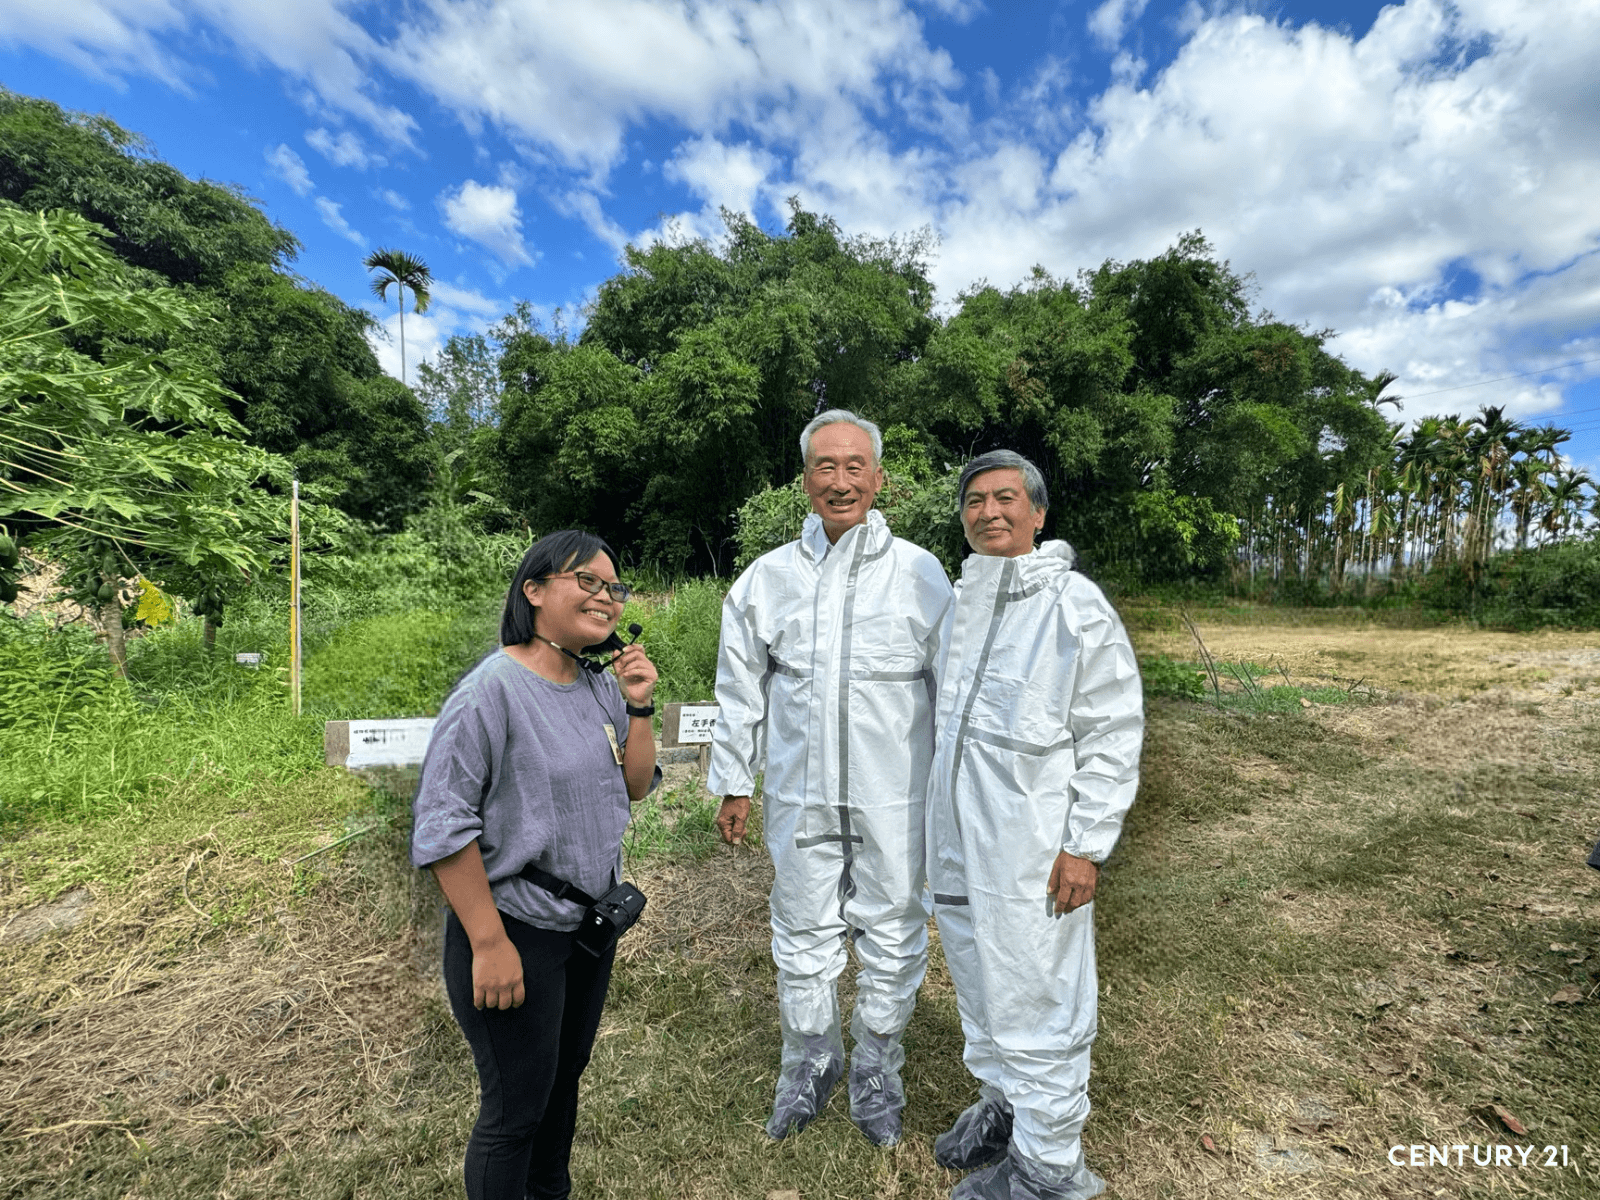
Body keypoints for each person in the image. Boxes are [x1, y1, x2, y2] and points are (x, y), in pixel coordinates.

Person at [709, 410, 954, 1146]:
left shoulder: (921, 572)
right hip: (797, 789)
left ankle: (878, 1065)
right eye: (825, 466)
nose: (840, 481)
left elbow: (954, 686)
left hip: (895, 789)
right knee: (802, 927)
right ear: (805, 479)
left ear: (880, 480)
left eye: (855, 467)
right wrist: (734, 780)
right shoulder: (768, 578)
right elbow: (739, 686)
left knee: (895, 927)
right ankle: (809, 1062)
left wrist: (954, 791)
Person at [410, 530, 661, 1200]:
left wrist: (639, 704)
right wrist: (488, 943)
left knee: (562, 1081)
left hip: (587, 928)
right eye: (588, 581)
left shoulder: (597, 685)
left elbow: (636, 784)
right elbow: (443, 827)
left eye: (614, 587)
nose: (605, 597)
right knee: (515, 1110)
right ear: (535, 590)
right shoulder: (490, 693)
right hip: (512, 928)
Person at [927, 451, 1144, 1200]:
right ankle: (1005, 1106)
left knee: (1038, 992)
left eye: (1006, 498)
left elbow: (1113, 731)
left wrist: (1086, 845)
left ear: (1039, 513)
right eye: (976, 500)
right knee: (983, 980)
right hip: (959, 842)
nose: (989, 511)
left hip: (1030, 848)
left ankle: (1052, 1169)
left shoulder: (1072, 606)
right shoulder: (963, 603)